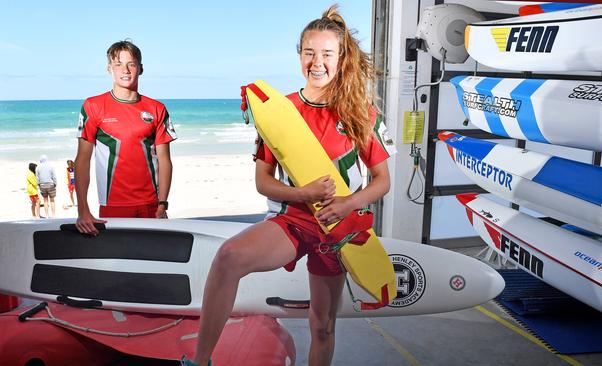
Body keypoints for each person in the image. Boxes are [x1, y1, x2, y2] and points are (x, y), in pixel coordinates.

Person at [185, 6, 395, 366]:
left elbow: (382, 181)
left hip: (338, 229)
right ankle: (200, 361)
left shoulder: (360, 113)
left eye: (327, 53)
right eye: (309, 52)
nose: (317, 62)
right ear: (299, 55)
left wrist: (346, 205)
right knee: (228, 257)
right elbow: (262, 182)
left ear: (341, 58)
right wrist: (302, 194)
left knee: (322, 326)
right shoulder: (279, 112)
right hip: (293, 222)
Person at [75, 40, 176, 235]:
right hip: (113, 206)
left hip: (151, 206)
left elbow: (165, 160)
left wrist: (163, 203)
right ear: (109, 69)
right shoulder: (92, 106)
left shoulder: (157, 108)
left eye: (131, 64)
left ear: (141, 68)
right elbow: (82, 160)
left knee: (151, 262)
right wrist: (83, 209)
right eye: (118, 64)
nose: (126, 70)